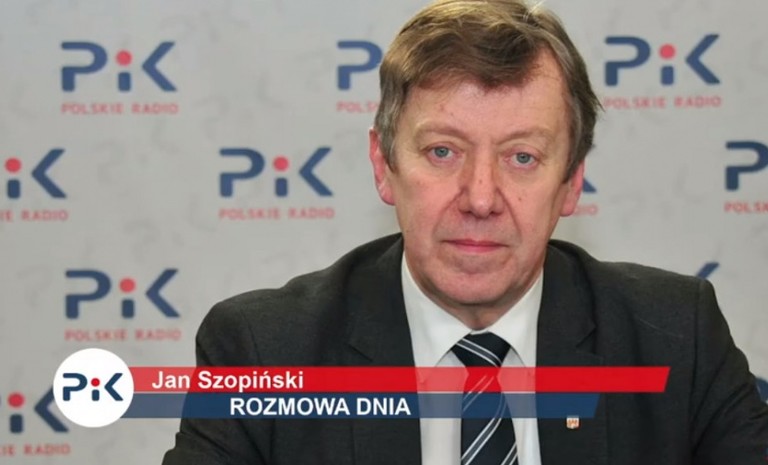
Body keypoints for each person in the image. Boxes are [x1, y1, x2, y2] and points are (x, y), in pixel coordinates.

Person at [163, 0, 768, 463]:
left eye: (522, 157)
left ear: (571, 182)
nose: (480, 198)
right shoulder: (265, 351)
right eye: (443, 151)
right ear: (383, 165)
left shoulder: (676, 337)